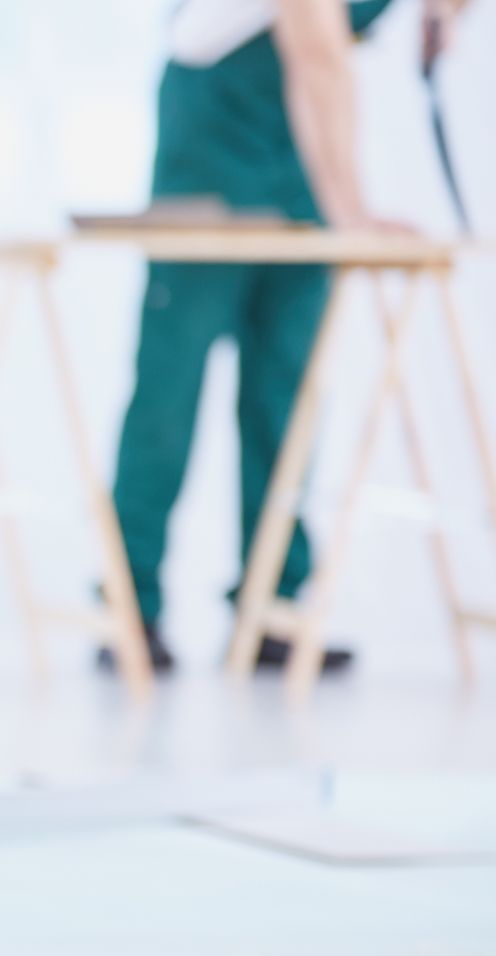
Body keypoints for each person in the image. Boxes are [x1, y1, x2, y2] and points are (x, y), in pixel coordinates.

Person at [106, 0, 468, 673]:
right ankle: (131, 610)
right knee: (167, 395)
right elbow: (317, 55)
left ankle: (272, 610)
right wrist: (354, 213)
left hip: (293, 158)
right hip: (211, 147)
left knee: (288, 395)